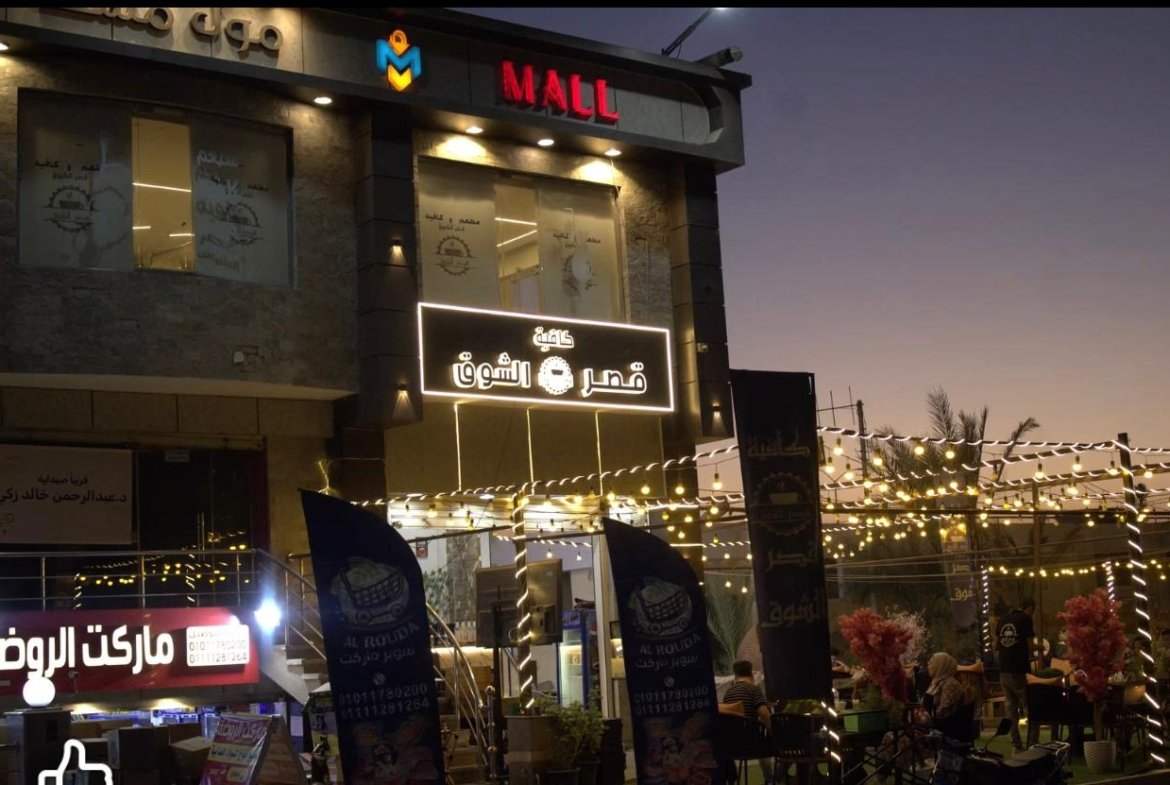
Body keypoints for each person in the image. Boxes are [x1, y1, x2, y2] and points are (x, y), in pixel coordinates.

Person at [722, 660, 774, 784]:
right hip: (752, 744)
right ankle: (770, 779)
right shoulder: (753, 690)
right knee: (766, 740)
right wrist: (775, 732)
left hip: (732, 745)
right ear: (750, 673)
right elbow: (764, 714)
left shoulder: (728, 693)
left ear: (735, 674)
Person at [996, 597, 1037, 752]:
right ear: (1030, 608)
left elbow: (998, 645)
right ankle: (1032, 744)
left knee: (1011, 708)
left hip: (1003, 668)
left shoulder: (1003, 619)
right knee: (1029, 705)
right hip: (1019, 669)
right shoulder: (1025, 619)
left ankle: (1016, 745)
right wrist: (1040, 647)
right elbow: (1030, 646)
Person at [923, 652, 976, 743]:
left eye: (931, 663)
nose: (928, 666)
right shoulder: (935, 683)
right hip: (933, 727)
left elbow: (944, 711)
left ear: (941, 666)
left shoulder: (950, 684)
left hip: (946, 733)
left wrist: (925, 719)